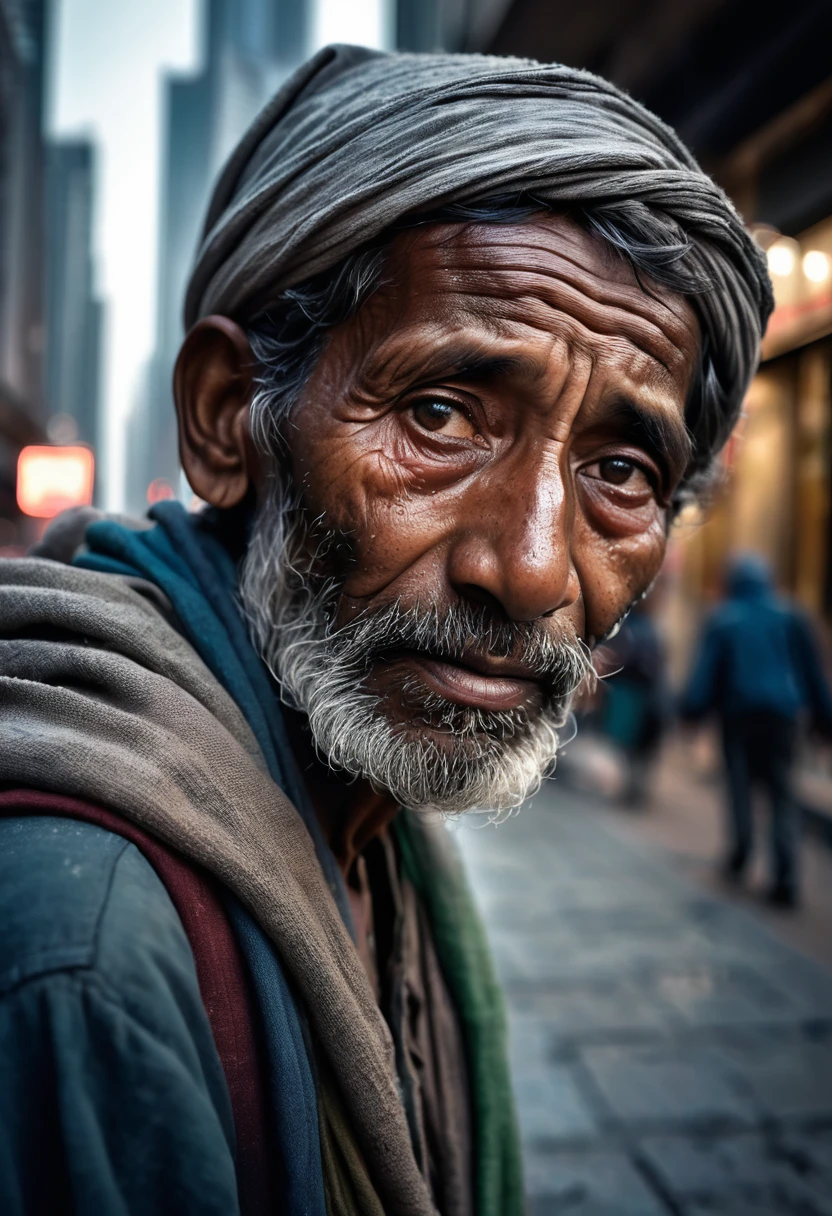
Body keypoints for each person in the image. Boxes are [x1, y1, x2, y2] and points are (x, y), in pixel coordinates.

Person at [0, 44, 772, 1216]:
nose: (525, 566)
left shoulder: (365, 819)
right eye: (440, 413)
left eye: (620, 470)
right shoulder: (89, 949)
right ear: (227, 419)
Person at [682, 553, 832, 907]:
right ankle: (786, 876)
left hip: (740, 717)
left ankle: (740, 856)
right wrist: (825, 721)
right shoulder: (790, 616)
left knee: (739, 786)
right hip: (783, 717)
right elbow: (811, 673)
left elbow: (706, 673)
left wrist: (692, 711)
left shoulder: (724, 619)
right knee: (782, 791)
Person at [602, 599, 670, 806]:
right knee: (639, 747)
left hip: (634, 694)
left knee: (630, 744)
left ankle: (633, 788)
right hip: (648, 695)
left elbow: (625, 660)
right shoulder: (651, 631)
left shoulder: (632, 629)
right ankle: (635, 788)